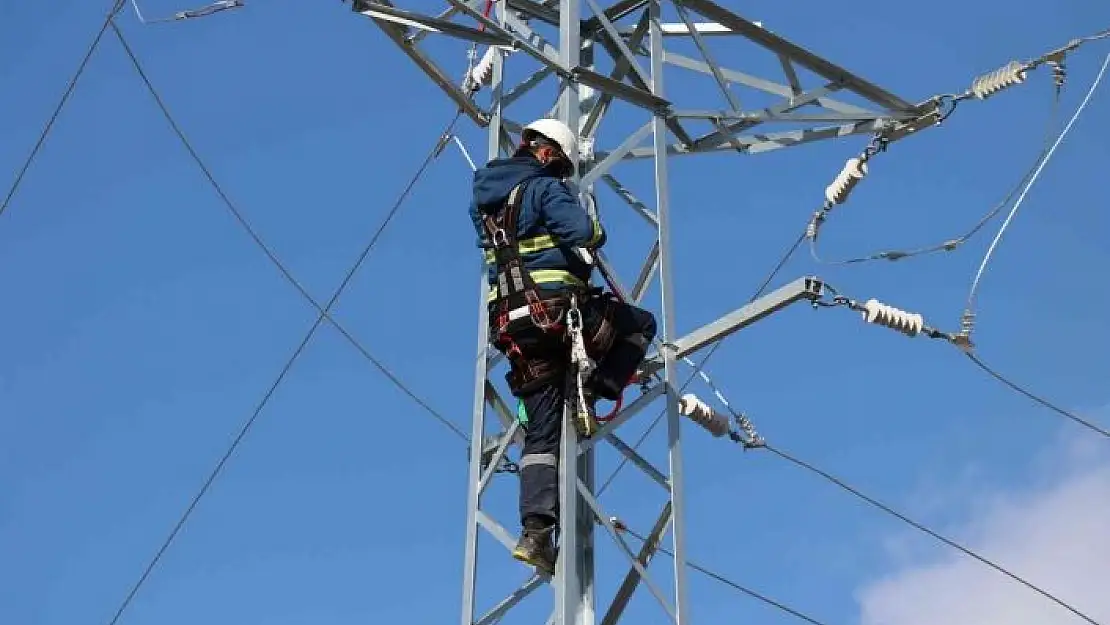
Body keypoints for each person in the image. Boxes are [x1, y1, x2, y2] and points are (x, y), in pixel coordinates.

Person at [468, 118, 658, 575]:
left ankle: (536, 534)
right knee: (639, 325)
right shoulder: (546, 189)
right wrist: (586, 217)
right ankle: (592, 393)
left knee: (541, 436)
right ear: (549, 153)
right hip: (559, 316)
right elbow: (585, 235)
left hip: (514, 330)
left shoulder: (486, 205)